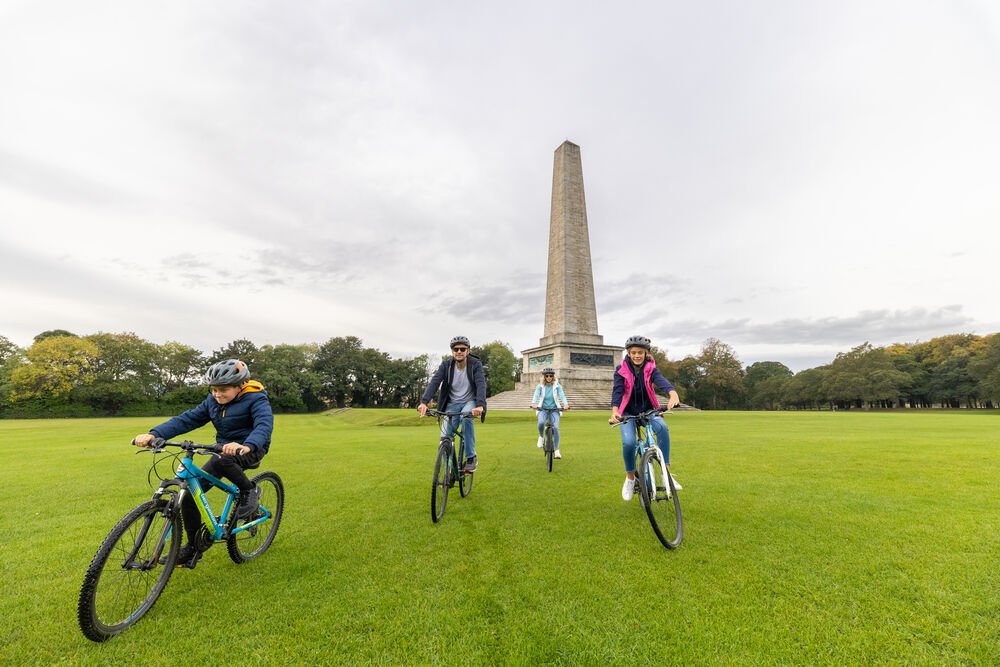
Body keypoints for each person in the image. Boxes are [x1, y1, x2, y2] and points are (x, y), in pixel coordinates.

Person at [133, 359, 273, 568]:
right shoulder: (212, 402)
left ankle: (248, 490)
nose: (217, 394)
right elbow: (187, 419)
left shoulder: (255, 399)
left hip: (250, 449)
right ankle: (193, 548)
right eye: (214, 389)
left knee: (225, 459)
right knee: (188, 495)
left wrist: (249, 445)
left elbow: (263, 425)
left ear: (240, 385)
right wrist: (154, 434)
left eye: (223, 390)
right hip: (222, 451)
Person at [609, 336, 681, 501]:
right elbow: (617, 392)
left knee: (662, 428)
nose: (637, 356)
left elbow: (662, 382)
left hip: (649, 410)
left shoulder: (651, 368)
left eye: (640, 352)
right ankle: (630, 478)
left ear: (646, 353)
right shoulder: (621, 370)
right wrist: (614, 411)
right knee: (629, 442)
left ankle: (666, 474)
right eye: (633, 352)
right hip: (627, 412)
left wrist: (672, 393)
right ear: (628, 353)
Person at [417, 336, 486, 472]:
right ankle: (449, 470)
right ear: (452, 351)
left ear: (468, 351)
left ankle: (471, 457)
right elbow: (435, 382)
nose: (459, 351)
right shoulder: (446, 366)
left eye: (462, 349)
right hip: (452, 404)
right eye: (456, 349)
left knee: (466, 418)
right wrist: (424, 402)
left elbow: (480, 383)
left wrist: (480, 405)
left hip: (470, 402)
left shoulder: (475, 364)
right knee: (444, 438)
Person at [530, 367, 569, 458]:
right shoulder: (540, 386)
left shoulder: (557, 386)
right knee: (541, 422)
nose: (549, 377)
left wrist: (565, 404)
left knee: (555, 427)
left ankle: (557, 450)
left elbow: (562, 395)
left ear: (553, 376)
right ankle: (541, 437)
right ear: (544, 377)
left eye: (551, 376)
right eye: (546, 375)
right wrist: (534, 404)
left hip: (555, 410)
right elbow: (536, 395)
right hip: (542, 409)